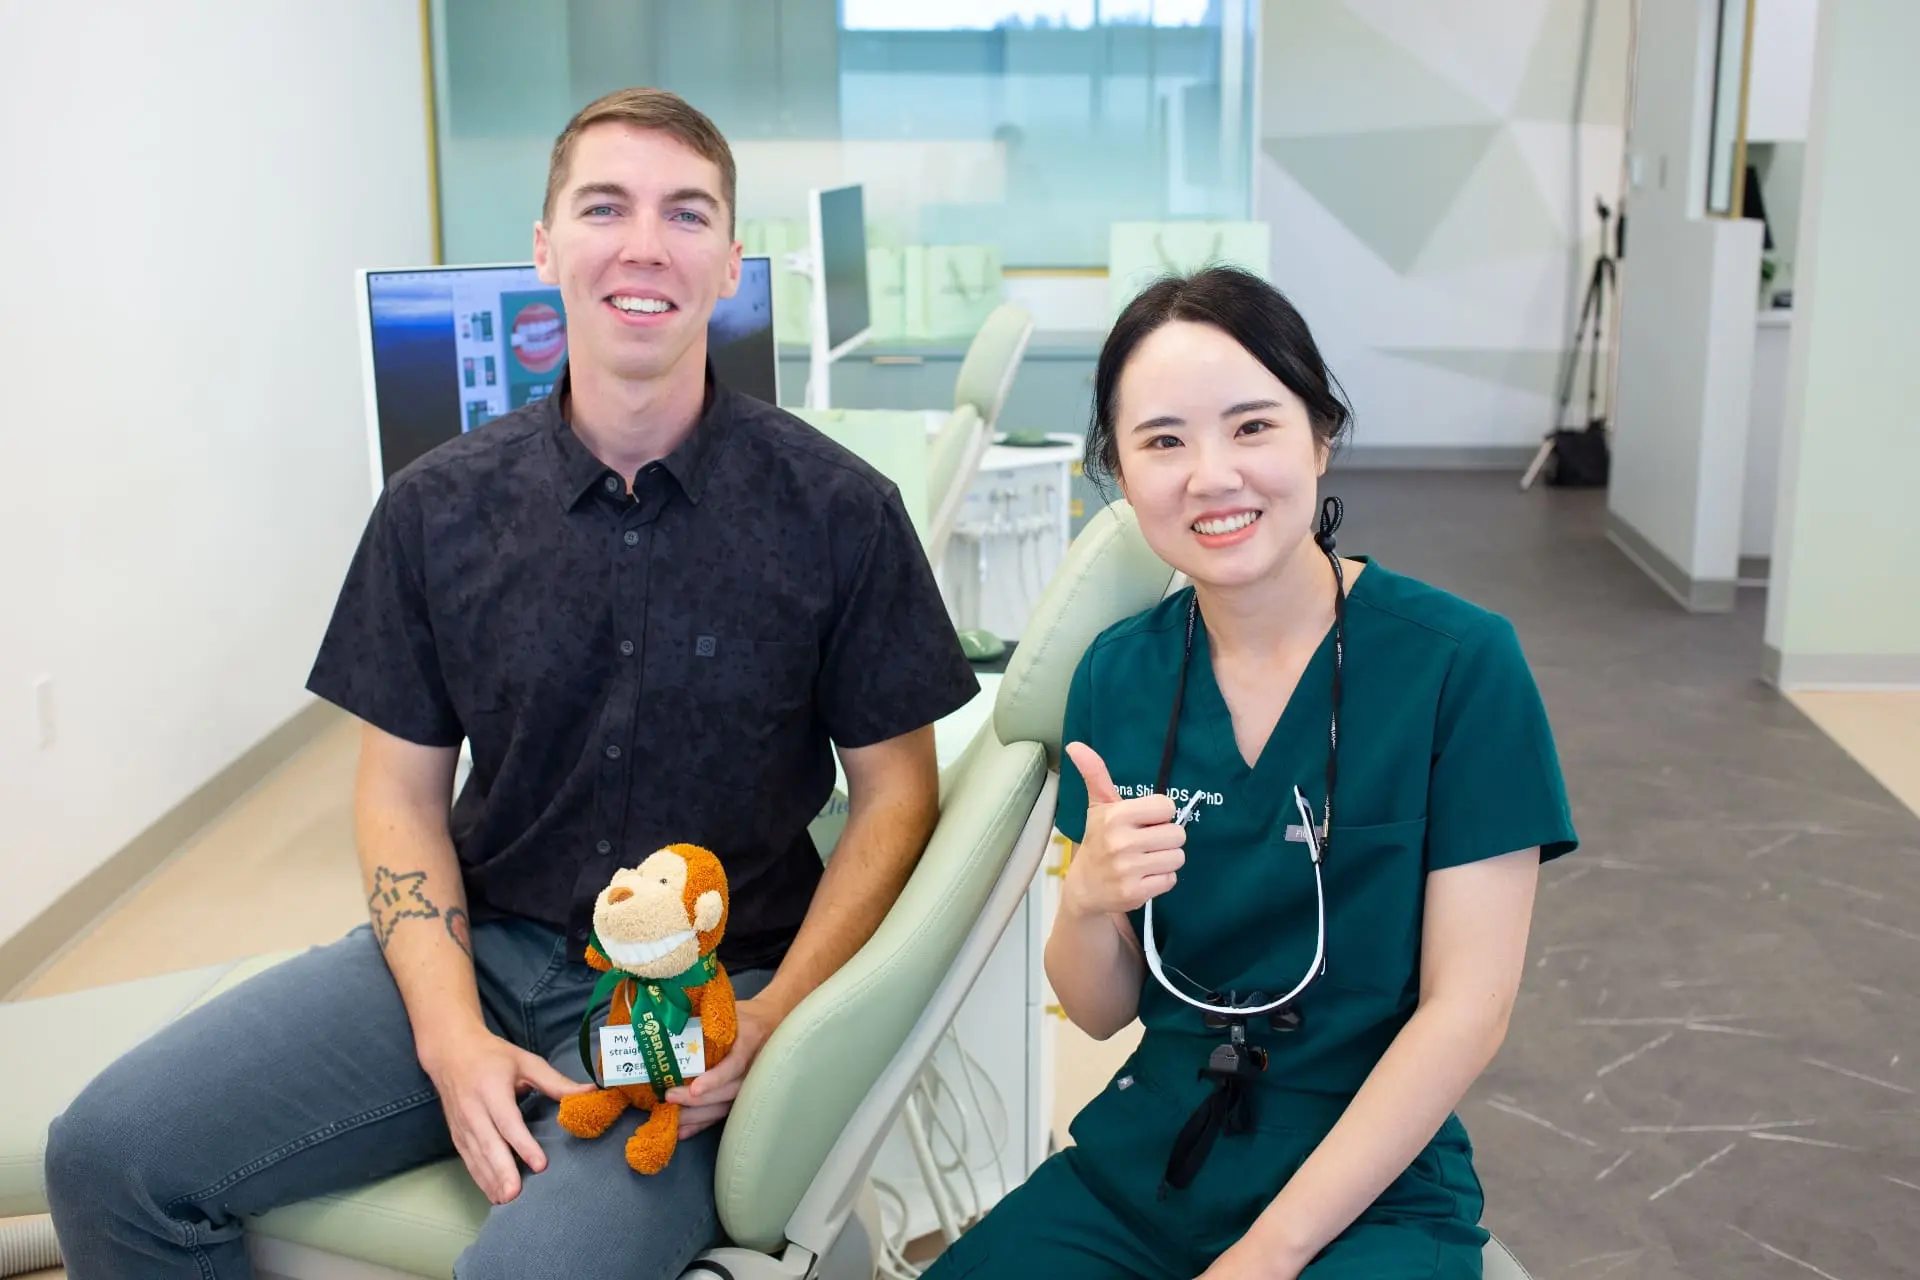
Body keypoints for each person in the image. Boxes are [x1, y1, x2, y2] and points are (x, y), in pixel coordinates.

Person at [43, 87, 978, 1278]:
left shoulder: (840, 513)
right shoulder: (436, 509)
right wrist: (448, 1033)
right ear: (545, 246)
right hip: (477, 947)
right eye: (605, 206)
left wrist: (777, 1020)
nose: (645, 245)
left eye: (687, 213)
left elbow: (897, 797)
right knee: (110, 1155)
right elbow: (398, 797)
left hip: (705, 991)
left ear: (731, 262)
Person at [922, 267, 1579, 1280]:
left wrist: (1271, 1251)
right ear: (1118, 471)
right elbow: (1098, 1009)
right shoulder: (1120, 677)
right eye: (1164, 441)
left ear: (1321, 435)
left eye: (1253, 426)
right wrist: (1088, 901)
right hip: (1153, 1160)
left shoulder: (1457, 665)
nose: (1212, 475)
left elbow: (1468, 1012)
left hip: (1369, 1179)